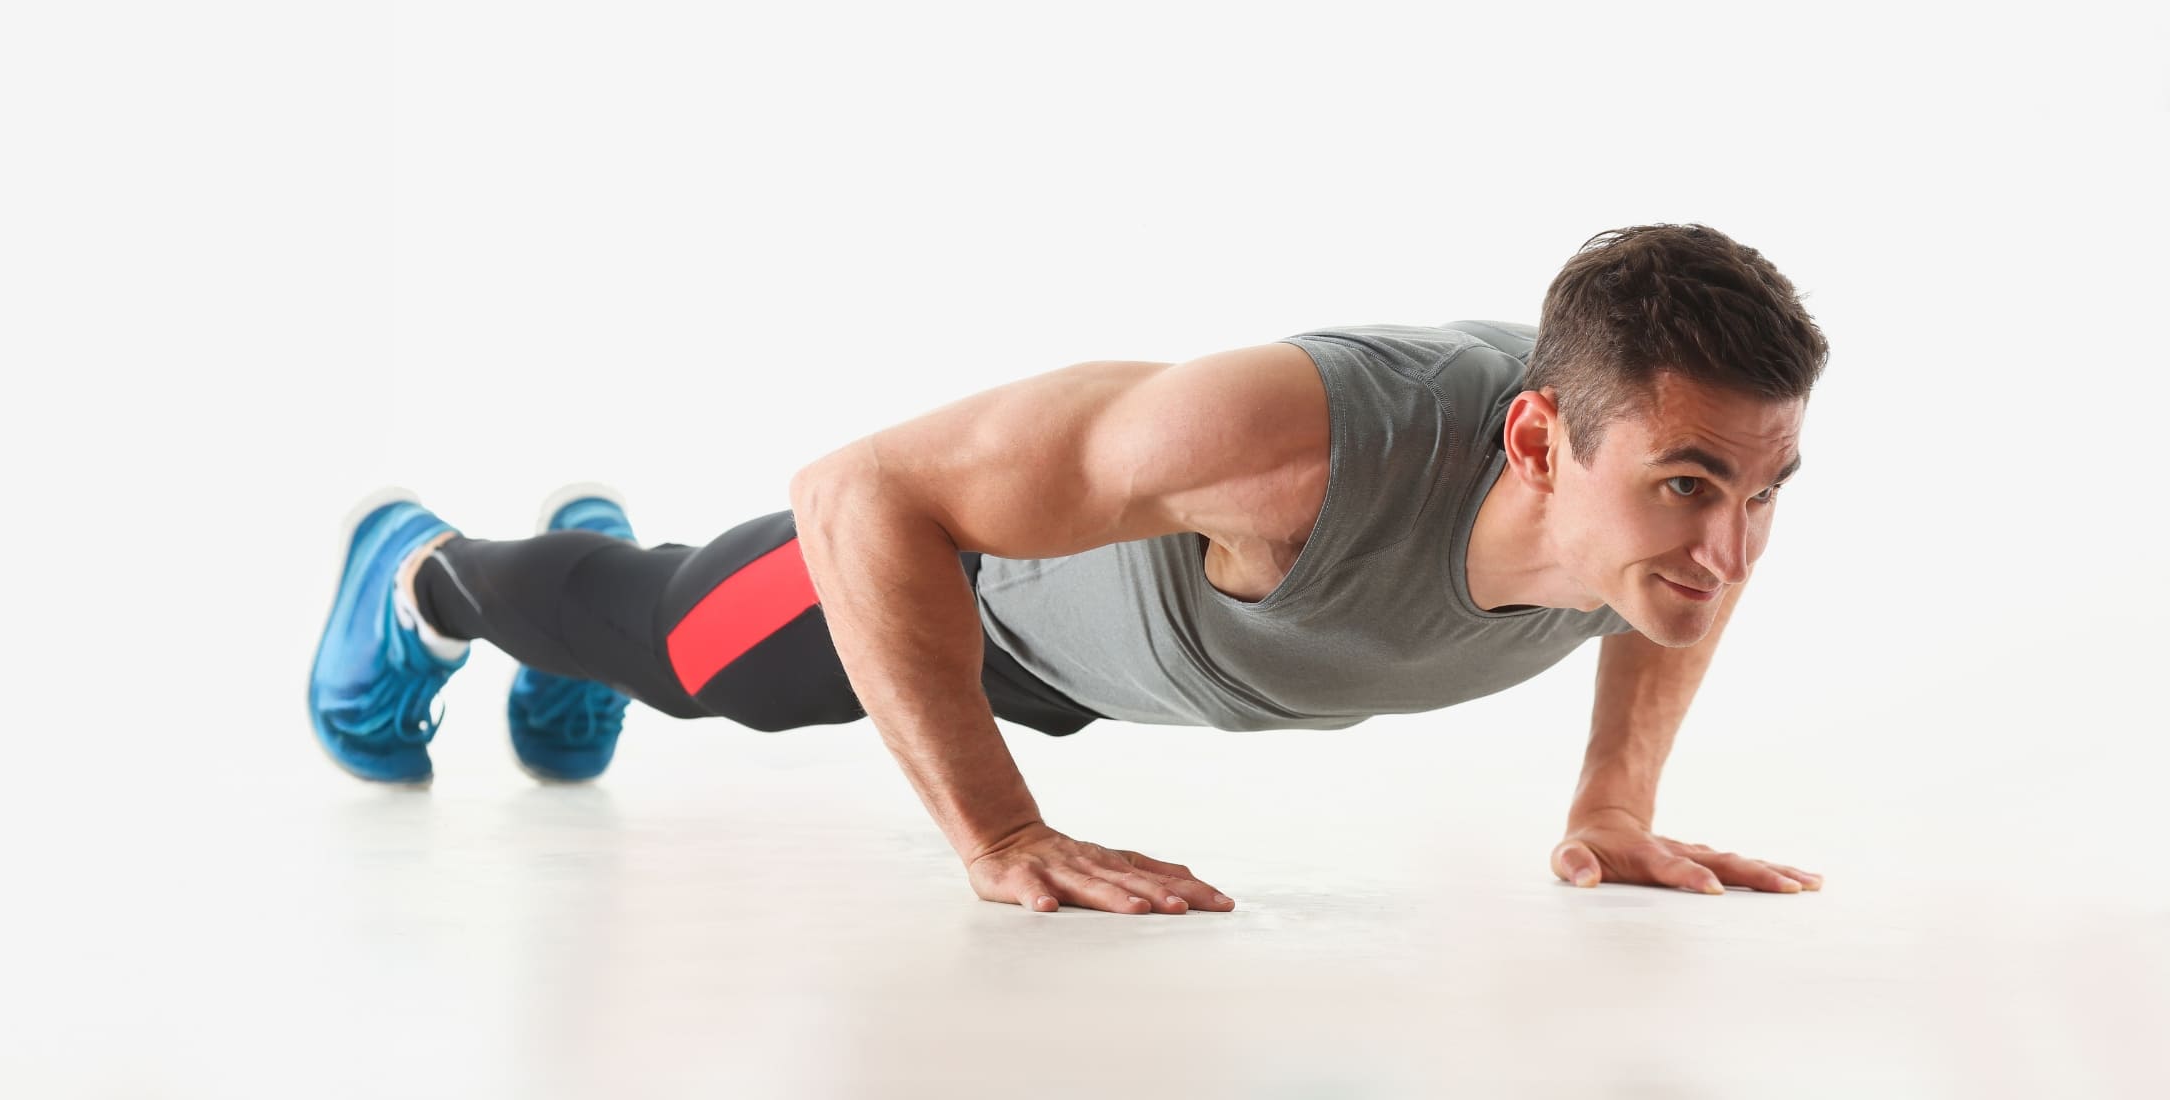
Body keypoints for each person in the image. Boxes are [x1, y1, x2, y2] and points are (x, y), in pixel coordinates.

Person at [309, 222, 1830, 915]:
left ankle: (582, 574)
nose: (1730, 548)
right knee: (698, 663)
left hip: (1118, 668)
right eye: (1691, 486)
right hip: (966, 599)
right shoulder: (1288, 450)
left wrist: (1615, 807)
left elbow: (1671, 583)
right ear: (1538, 442)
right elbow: (860, 491)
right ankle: (431, 576)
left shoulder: (1666, 508)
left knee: (668, 642)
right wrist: (998, 832)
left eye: (1766, 489)